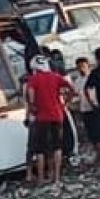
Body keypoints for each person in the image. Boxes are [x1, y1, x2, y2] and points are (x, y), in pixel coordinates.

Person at [25, 55, 74, 183]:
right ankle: (56, 177)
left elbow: (31, 96)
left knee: (41, 149)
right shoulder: (56, 77)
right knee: (57, 146)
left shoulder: (33, 79)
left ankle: (41, 178)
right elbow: (71, 89)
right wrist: (65, 103)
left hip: (42, 117)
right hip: (57, 115)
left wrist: (32, 107)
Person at [69, 56, 97, 162]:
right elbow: (76, 95)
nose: (81, 69)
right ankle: (93, 150)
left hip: (94, 108)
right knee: (89, 131)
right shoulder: (78, 81)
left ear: (87, 66)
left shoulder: (93, 77)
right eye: (79, 67)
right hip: (84, 109)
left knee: (99, 131)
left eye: (83, 66)